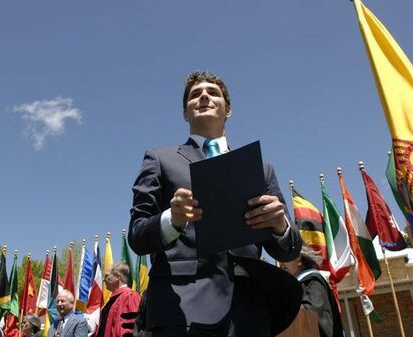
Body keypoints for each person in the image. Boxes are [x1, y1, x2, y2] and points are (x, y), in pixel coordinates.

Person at [128, 71, 303, 337]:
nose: (204, 96)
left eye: (213, 92)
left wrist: (280, 225)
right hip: (182, 310)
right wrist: (171, 220)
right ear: (185, 114)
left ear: (228, 109)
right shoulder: (159, 159)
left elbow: (289, 251)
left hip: (251, 313)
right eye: (195, 94)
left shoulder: (260, 169)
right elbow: (137, 235)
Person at [279, 246, 344, 337]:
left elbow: (310, 315)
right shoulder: (301, 284)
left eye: (284, 257)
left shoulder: (312, 282)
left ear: (299, 259)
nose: (281, 263)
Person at [97, 263, 141, 337]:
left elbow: (132, 329)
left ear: (117, 277)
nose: (104, 280)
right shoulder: (113, 299)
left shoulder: (130, 296)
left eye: (107, 276)